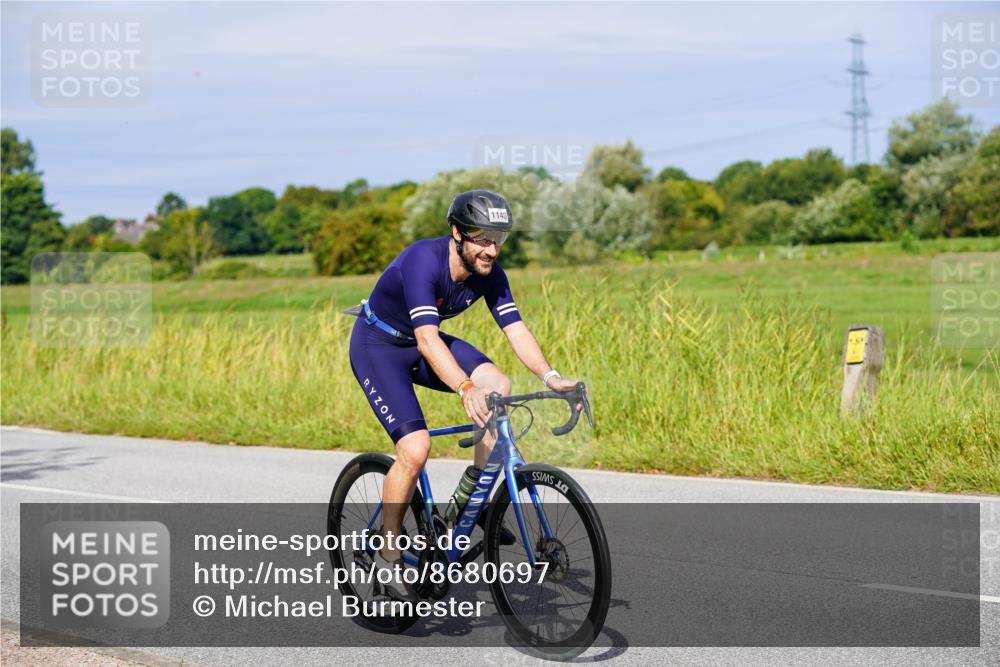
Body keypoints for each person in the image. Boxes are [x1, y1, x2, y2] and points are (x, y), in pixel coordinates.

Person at [347, 189, 583, 599]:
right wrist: (465, 386)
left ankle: (469, 499)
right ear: (457, 233)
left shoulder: (491, 272)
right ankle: (387, 555)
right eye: (482, 238)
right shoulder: (423, 261)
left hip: (425, 342)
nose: (492, 249)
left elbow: (516, 329)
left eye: (499, 238)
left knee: (501, 388)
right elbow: (425, 338)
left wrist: (551, 377)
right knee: (416, 449)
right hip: (379, 346)